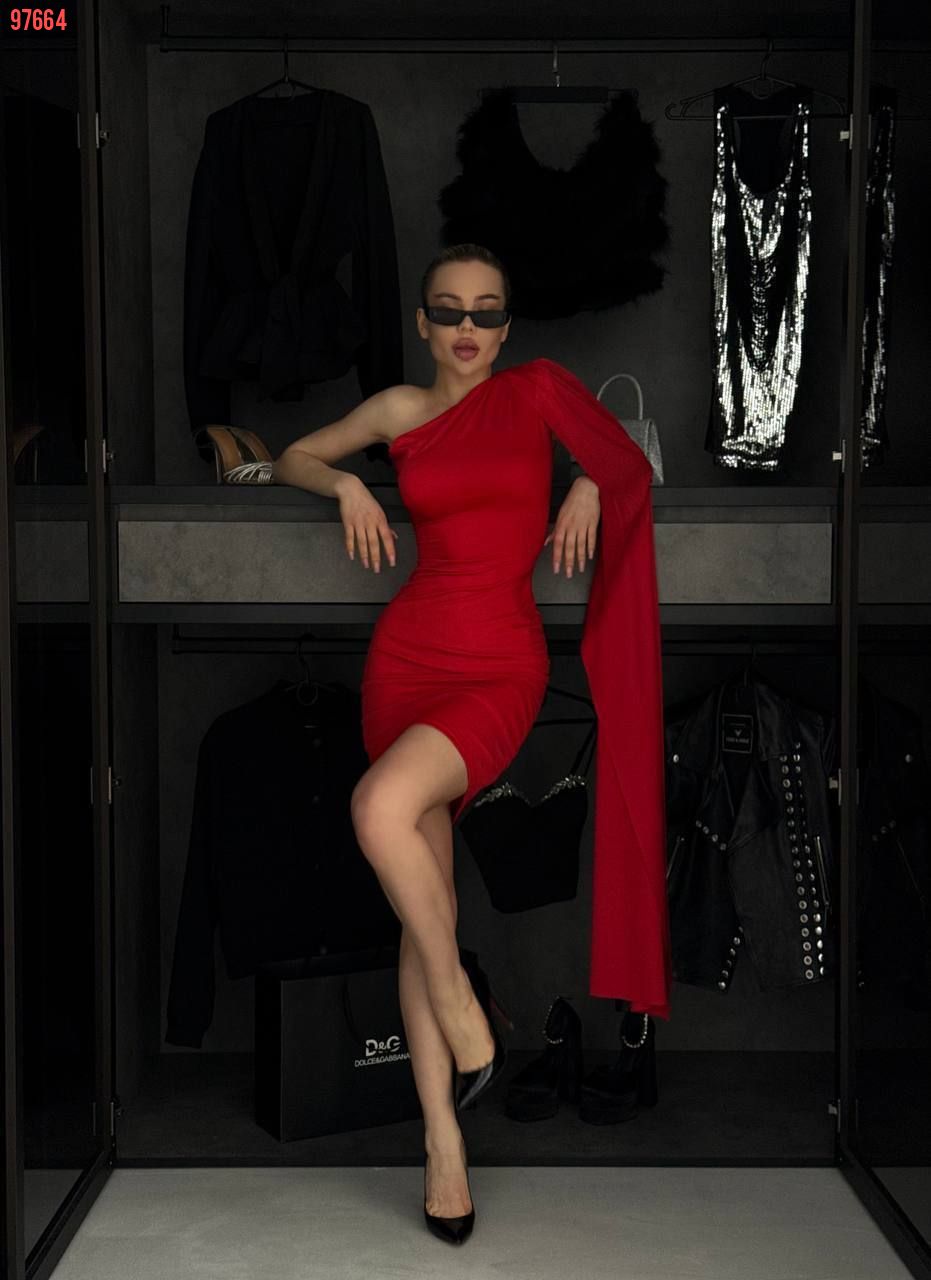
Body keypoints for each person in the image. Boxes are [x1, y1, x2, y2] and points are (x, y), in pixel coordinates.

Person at [273, 244, 603, 1240]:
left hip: (499, 666)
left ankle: (463, 1001)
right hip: (407, 659)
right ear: (422, 323)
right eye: (448, 310)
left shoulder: (538, 396)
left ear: (505, 328)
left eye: (486, 312)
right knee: (430, 909)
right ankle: (442, 1144)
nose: (467, 327)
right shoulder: (398, 409)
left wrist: (584, 485)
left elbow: (618, 455)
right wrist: (346, 488)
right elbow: (293, 454)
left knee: (377, 807)